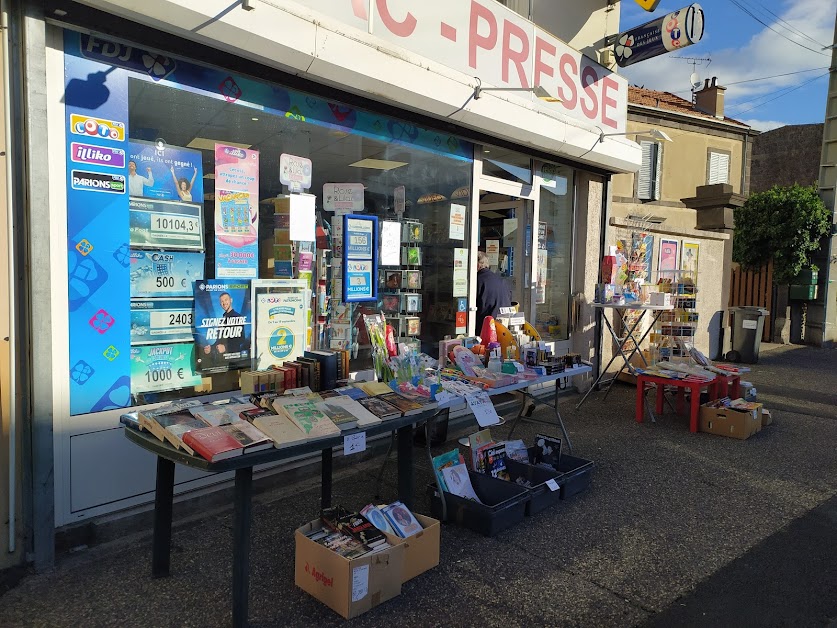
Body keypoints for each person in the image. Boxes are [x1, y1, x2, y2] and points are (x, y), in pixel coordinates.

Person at [203, 291, 246, 363]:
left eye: (226, 300)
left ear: (231, 300)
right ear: (220, 304)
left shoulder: (238, 317)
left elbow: (241, 339)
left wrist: (225, 347)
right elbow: (219, 340)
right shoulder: (222, 320)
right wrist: (211, 348)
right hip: (222, 360)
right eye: (222, 301)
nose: (224, 303)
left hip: (234, 359)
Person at [475, 249, 511, 335]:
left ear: (477, 265)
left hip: (484, 329)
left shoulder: (477, 281)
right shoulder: (501, 280)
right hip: (503, 328)